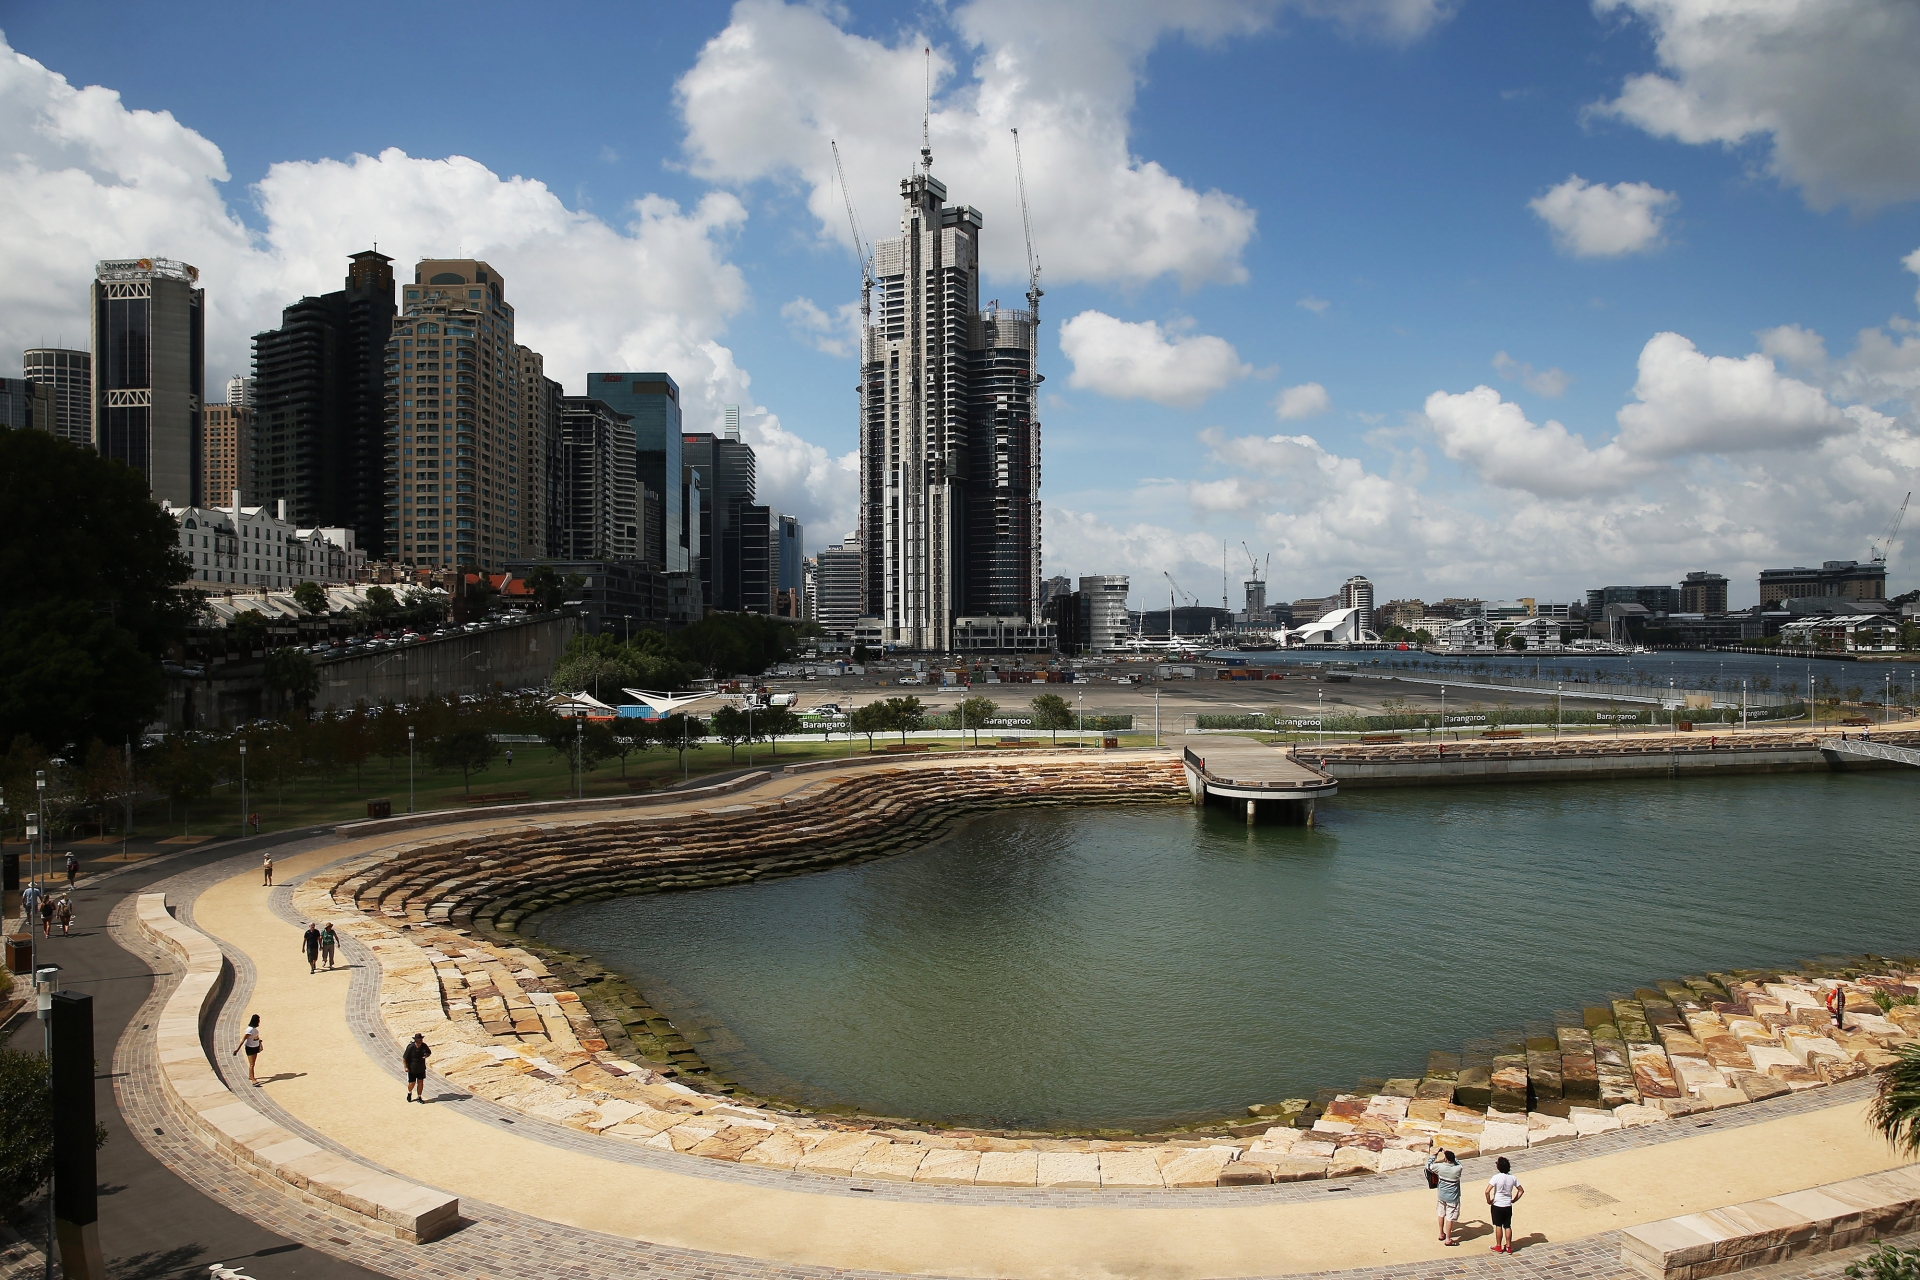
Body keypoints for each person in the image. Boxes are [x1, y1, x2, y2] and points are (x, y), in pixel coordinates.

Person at [1486, 1155, 1524, 1253]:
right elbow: (1521, 1190)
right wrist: (1514, 1200)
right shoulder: (1513, 1178)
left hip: (1497, 1204)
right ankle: (1509, 1246)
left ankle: (1498, 1246)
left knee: (1498, 1225)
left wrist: (1489, 1201)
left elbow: (1487, 1191)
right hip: (1507, 1205)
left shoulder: (1496, 1177)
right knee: (1507, 1226)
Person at [1426, 1148, 1463, 1245]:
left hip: (1441, 1196)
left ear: (1445, 1159)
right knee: (1450, 1217)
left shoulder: (1440, 1167)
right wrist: (1450, 1153)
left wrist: (1434, 1155)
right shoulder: (1458, 1169)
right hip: (1453, 1198)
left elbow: (1428, 1165)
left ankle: (1441, 1233)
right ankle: (1448, 1239)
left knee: (1441, 1214)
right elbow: (1459, 1163)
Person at [232, 1014, 264, 1084]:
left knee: (253, 1064)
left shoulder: (254, 1029)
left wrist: (259, 1041)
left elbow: (255, 1037)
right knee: (251, 1064)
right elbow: (243, 1040)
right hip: (250, 1048)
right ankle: (253, 1080)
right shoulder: (249, 1030)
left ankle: (250, 1076)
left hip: (255, 1047)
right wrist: (237, 1050)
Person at [402, 1033, 432, 1102]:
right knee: (412, 1083)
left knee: (420, 1082)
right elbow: (404, 1058)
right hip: (412, 1068)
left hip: (421, 1068)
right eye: (419, 1040)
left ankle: (419, 1096)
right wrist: (406, 1067)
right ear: (415, 1040)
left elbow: (429, 1052)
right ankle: (409, 1092)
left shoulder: (424, 1046)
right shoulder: (410, 1047)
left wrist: (426, 1055)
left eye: (421, 1040)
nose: (420, 1041)